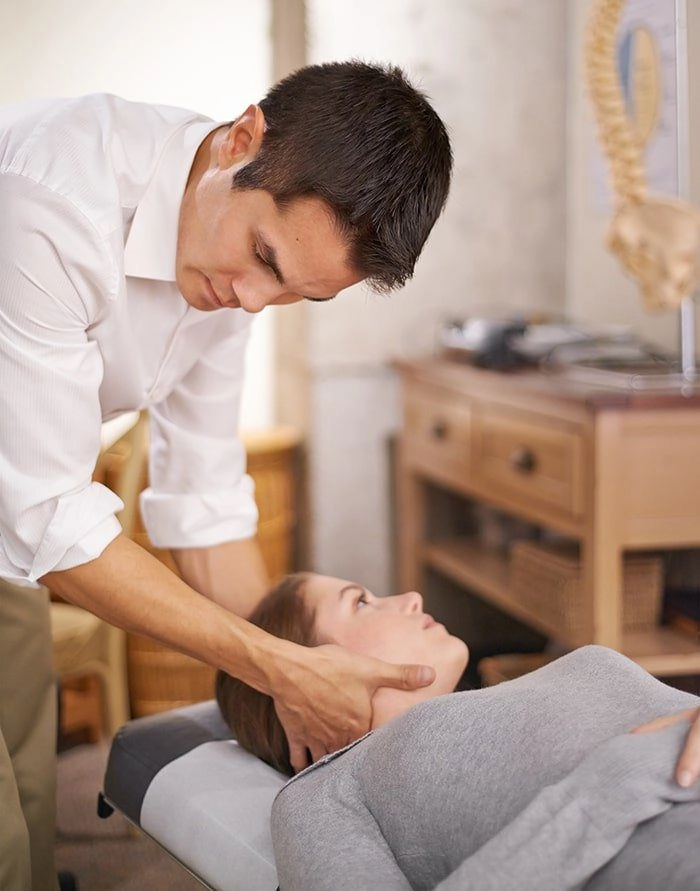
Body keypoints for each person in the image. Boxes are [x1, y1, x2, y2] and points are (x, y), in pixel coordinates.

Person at [0, 61, 452, 891]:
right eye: (262, 257)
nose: (250, 302)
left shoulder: (235, 276)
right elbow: (50, 519)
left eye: (291, 293)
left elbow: (201, 501)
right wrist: (280, 669)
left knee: (29, 770)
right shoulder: (50, 199)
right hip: (23, 502)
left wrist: (296, 685)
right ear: (241, 141)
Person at [216, 572, 700, 890]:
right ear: (302, 684)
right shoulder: (326, 791)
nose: (410, 598)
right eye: (361, 603)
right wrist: (619, 779)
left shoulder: (508, 694)